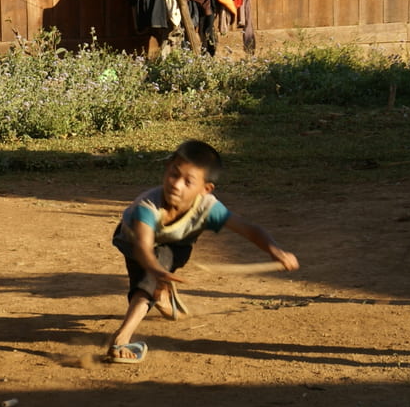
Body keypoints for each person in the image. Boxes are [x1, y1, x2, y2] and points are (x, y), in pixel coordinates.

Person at [106, 140, 299, 364]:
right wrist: (156, 270)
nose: (176, 185)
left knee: (150, 282)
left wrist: (276, 251)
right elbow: (142, 246)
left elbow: (249, 229)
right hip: (134, 244)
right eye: (173, 174)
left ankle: (122, 335)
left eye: (188, 181)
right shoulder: (147, 207)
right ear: (167, 167)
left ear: (205, 189)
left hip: (177, 245)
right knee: (148, 280)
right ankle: (156, 296)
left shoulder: (208, 207)